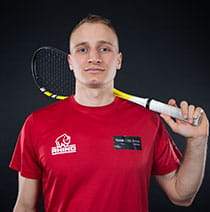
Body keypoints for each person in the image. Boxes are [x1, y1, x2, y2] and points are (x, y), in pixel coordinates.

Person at [10, 14, 209, 212]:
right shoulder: (37, 123)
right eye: (82, 49)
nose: (94, 57)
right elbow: (26, 206)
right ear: (70, 62)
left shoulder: (147, 120)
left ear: (118, 60)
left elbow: (181, 196)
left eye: (104, 49)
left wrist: (198, 141)